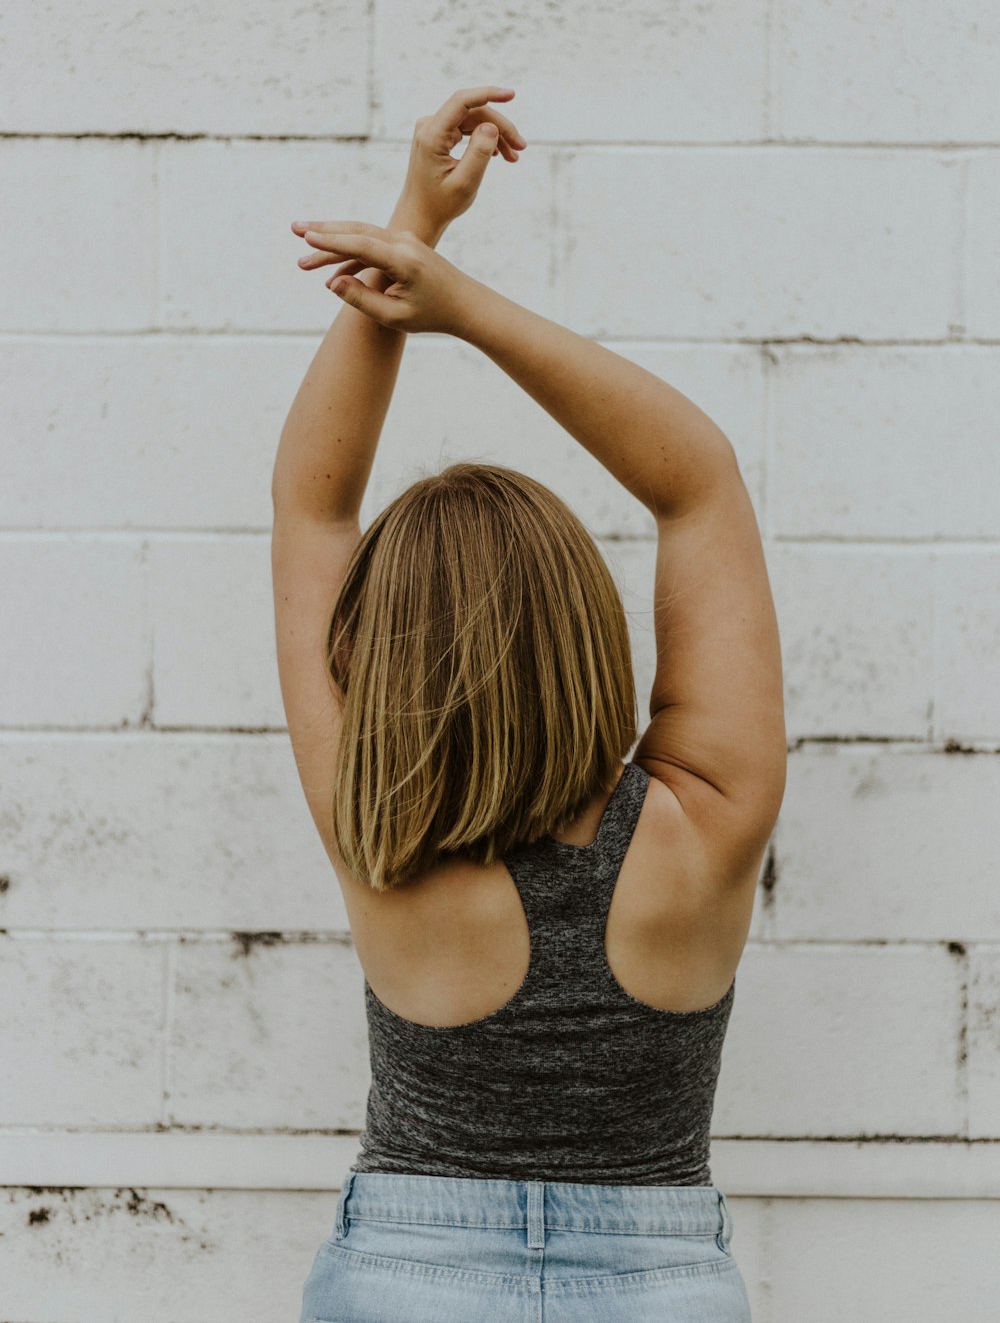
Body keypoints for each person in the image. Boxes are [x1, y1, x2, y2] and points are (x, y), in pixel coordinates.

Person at [270, 86, 785, 1322]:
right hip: (660, 1285)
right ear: (583, 632)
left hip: (406, 1277)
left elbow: (313, 510)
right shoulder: (704, 819)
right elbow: (698, 484)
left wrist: (414, 236)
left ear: (378, 656)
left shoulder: (374, 829)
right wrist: (462, 309)